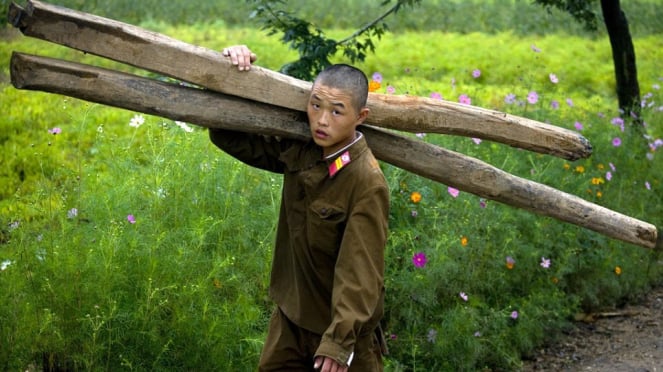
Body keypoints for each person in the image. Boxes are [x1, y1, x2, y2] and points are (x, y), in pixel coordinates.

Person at [210, 45, 390, 372]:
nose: (321, 120)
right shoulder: (303, 149)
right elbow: (231, 137)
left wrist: (338, 343)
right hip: (291, 320)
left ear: (360, 117)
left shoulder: (365, 182)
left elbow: (360, 271)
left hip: (342, 333)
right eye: (315, 105)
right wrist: (232, 75)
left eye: (337, 111)